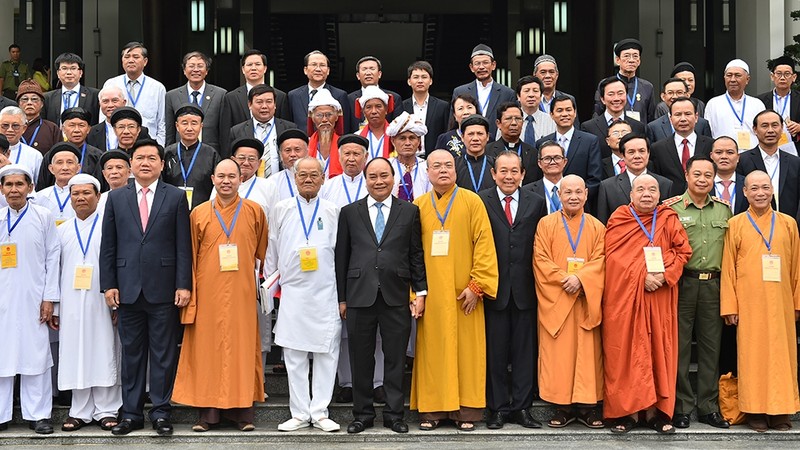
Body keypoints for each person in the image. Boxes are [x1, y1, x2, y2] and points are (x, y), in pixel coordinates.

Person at [99, 139, 192, 436]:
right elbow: (108, 246)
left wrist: (183, 284)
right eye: (139, 158)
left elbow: (183, 245)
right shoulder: (116, 198)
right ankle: (131, 413)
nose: (145, 163)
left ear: (162, 165)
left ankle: (162, 413)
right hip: (127, 288)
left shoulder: (176, 197)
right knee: (132, 354)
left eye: (152, 158)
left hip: (164, 289)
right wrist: (108, 284)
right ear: (131, 163)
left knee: (163, 354)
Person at [173, 158, 268, 432]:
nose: (226, 181)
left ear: (241, 179)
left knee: (241, 347)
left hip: (241, 291)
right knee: (207, 350)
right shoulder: (199, 213)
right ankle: (208, 414)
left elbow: (260, 251)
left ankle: (242, 414)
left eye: (232, 176)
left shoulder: (254, 211)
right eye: (221, 176)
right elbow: (189, 254)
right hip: (208, 290)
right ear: (213, 179)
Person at [335, 157, 427, 434]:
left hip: (395, 294)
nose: (379, 181)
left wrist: (420, 291)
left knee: (395, 357)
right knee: (361, 357)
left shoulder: (409, 211)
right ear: (366, 180)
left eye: (384, 176)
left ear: (393, 178)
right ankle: (362, 414)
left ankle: (394, 414)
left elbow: (415, 254)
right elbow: (342, 257)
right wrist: (342, 298)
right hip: (359, 295)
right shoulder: (350, 212)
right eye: (373, 176)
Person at [411, 149, 498, 432]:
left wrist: (477, 285)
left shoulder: (472, 202)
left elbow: (485, 245)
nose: (443, 170)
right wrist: (416, 293)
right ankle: (433, 410)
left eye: (448, 165)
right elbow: (410, 253)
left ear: (456, 169)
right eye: (436, 166)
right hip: (432, 295)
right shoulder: (418, 205)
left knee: (467, 352)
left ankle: (466, 412)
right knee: (433, 351)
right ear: (428, 172)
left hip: (465, 295)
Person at [603, 173, 692, 434]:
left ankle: (657, 413)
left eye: (652, 189)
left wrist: (664, 276)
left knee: (657, 351)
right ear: (630, 194)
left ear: (659, 194)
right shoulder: (620, 218)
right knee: (627, 353)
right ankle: (626, 413)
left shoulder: (667, 217)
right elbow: (613, 258)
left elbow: (683, 251)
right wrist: (642, 276)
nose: (646, 194)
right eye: (640, 189)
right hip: (626, 300)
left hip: (659, 297)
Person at [265, 157, 341, 433]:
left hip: (325, 290)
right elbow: (272, 247)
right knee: (294, 355)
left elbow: (339, 252)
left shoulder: (333, 210)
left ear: (323, 179)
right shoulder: (281, 209)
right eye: (303, 175)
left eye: (314, 175)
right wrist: (272, 285)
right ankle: (299, 413)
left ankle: (320, 411)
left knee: (326, 353)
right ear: (294, 179)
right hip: (293, 292)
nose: (308, 179)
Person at [721, 170, 800, 432]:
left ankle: (780, 410)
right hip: (749, 303)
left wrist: (796, 303)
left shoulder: (788, 223)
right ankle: (754, 409)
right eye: (754, 189)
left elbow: (797, 267)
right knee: (751, 355)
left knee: (781, 356)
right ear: (744, 192)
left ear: (772, 191)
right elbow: (728, 268)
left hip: (781, 303)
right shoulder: (736, 224)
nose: (760, 193)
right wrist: (730, 306)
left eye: (765, 188)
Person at [479, 151, 547, 430]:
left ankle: (522, 408)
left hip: (525, 289)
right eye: (503, 171)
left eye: (514, 171)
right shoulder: (481, 200)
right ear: (494, 174)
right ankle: (496, 408)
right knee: (494, 352)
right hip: (493, 289)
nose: (509, 176)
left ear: (523, 174)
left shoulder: (536, 202)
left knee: (523, 352)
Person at [664, 156, 732, 429]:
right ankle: (680, 407)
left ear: (714, 178)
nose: (702, 179)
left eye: (708, 175)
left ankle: (708, 407)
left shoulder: (724, 211)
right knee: (679, 348)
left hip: (714, 285)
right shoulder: (671, 209)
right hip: (683, 283)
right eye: (697, 174)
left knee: (710, 349)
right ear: (687, 175)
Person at [533, 174, 605, 429]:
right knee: (559, 356)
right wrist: (566, 280)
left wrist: (581, 280)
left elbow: (601, 260)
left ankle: (588, 407)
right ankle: (561, 406)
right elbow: (540, 260)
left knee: (588, 355)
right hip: (558, 299)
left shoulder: (597, 226)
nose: (573, 197)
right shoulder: (546, 224)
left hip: (585, 300)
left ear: (586, 194)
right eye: (567, 192)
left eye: (578, 192)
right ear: (559, 195)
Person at [54, 173, 121, 432]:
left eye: (86, 193)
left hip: (102, 298)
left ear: (98, 196)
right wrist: (57, 305)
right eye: (76, 194)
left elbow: (117, 263)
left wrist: (117, 302)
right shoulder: (61, 230)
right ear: (70, 199)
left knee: (105, 348)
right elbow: (54, 270)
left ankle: (107, 409)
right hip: (71, 301)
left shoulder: (109, 226)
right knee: (75, 352)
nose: (81, 198)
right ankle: (79, 410)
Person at [319, 134, 383, 404]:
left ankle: (377, 382)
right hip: (340, 262)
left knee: (377, 329)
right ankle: (346, 381)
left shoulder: (376, 185)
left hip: (374, 264)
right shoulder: (329, 186)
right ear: (338, 156)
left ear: (365, 157)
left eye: (357, 154)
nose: (352, 159)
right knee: (345, 328)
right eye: (346, 154)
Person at [0, 163, 59, 434]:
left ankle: (39, 415)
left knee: (36, 356)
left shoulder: (43, 216)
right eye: (9, 185)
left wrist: (50, 298)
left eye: (19, 184)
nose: (14, 189)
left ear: (30, 187)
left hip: (35, 298)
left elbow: (52, 257)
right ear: (1, 189)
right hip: (2, 300)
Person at [220, 50, 290, 156]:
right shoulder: (231, 98)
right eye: (249, 65)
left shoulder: (280, 96)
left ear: (265, 68)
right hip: (243, 158)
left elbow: (285, 128)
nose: (253, 68)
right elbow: (226, 135)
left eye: (257, 64)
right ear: (243, 69)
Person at [538, 95, 603, 208]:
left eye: (568, 110)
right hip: (549, 204)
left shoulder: (590, 141)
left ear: (575, 113)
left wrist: (576, 197)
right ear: (551, 115)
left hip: (580, 205)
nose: (564, 114)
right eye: (559, 110)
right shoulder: (542, 143)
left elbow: (595, 178)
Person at [736, 110, 800, 223]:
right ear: (755, 129)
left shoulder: (795, 162)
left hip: (788, 227)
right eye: (765, 126)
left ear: (781, 128)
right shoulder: (742, 161)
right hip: (753, 227)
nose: (770, 130)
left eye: (775, 125)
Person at [596, 134, 673, 224]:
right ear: (623, 156)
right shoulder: (607, 187)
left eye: (642, 151)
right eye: (631, 152)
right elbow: (603, 223)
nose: (637, 156)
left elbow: (669, 221)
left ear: (648, 154)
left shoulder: (665, 184)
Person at [102, 42, 167, 145]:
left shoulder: (157, 87)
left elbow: (162, 123)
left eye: (135, 57)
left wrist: (159, 148)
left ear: (145, 61)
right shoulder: (111, 84)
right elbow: (104, 117)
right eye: (127, 57)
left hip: (147, 145)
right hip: (117, 144)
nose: (131, 60)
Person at [649, 97, 714, 193]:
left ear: (696, 117)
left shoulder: (711, 145)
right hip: (670, 203)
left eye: (688, 114)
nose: (683, 119)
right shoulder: (658, 148)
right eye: (678, 114)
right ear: (670, 119)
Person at [162, 105, 221, 209]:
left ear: (201, 126)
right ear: (177, 126)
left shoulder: (211, 154)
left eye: (194, 123)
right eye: (184, 123)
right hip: (170, 210)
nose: (189, 128)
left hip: (203, 210)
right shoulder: (167, 153)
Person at [165, 51, 226, 150]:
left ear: (206, 71)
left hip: (211, 153)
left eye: (200, 66)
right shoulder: (172, 96)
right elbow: (169, 132)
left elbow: (223, 131)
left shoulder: (220, 94)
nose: (196, 70)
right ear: (184, 70)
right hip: (180, 152)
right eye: (191, 66)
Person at [229, 84, 295, 176]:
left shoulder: (289, 128)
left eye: (269, 102)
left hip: (282, 183)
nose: (264, 106)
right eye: (259, 102)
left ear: (275, 104)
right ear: (250, 105)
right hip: (250, 184)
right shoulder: (237, 131)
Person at [451, 45, 516, 137]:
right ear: (471, 67)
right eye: (477, 63)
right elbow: (453, 122)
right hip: (468, 143)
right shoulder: (460, 91)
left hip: (497, 146)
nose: (481, 67)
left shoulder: (507, 93)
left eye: (485, 63)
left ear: (493, 65)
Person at [705, 59, 766, 149]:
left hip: (752, 156)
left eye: (737, 75)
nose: (733, 79)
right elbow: (708, 134)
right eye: (729, 75)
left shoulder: (757, 104)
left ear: (747, 79)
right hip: (723, 156)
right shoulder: (713, 104)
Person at [37, 107, 104, 190]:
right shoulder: (52, 155)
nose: (76, 130)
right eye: (72, 125)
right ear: (63, 129)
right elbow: (43, 186)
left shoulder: (97, 156)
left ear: (88, 129)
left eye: (81, 125)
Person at [592, 38, 656, 124]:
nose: (631, 60)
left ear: (639, 61)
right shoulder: (607, 84)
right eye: (626, 56)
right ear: (617, 60)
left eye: (635, 56)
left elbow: (651, 118)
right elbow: (597, 114)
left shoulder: (647, 86)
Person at [581, 77, 647, 159]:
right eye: (611, 94)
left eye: (620, 93)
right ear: (602, 99)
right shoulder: (589, 127)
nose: (616, 98)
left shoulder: (638, 126)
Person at [287, 50, 350, 132]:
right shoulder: (293, 95)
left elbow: (344, 127)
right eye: (314, 65)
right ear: (305, 70)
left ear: (328, 71)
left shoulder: (340, 95)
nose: (318, 69)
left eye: (322, 65)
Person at [485, 102, 540, 185]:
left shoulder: (533, 153)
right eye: (508, 118)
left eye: (518, 119)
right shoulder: (487, 151)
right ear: (498, 123)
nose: (514, 123)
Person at [402, 61, 449, 156]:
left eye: (424, 77)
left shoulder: (442, 106)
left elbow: (446, 133)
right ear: (409, 81)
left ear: (430, 81)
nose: (420, 81)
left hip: (435, 157)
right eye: (416, 77)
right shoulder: (401, 106)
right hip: (408, 157)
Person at [346, 56, 403, 132]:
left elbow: (398, 127)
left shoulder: (394, 97)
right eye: (364, 69)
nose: (368, 73)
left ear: (379, 74)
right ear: (358, 76)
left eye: (372, 69)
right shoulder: (349, 99)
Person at [757, 56, 800, 155]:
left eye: (787, 74)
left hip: (795, 148)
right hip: (767, 149)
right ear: (772, 76)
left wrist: (799, 127)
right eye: (779, 74)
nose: (782, 78)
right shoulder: (760, 101)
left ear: (794, 77)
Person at [87, 86, 152, 151]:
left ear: (124, 102)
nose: (110, 105)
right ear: (100, 104)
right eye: (105, 101)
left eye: (114, 101)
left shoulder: (141, 131)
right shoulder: (93, 131)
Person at [647, 78, 712, 142]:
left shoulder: (703, 124)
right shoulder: (654, 127)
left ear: (687, 95)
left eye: (679, 92)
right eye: (670, 93)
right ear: (663, 97)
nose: (675, 96)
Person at [43, 53, 100, 125]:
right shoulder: (47, 98)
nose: (69, 72)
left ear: (81, 73)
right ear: (58, 73)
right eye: (64, 68)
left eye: (73, 68)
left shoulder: (95, 95)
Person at [263, 129, 309, 214]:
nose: (292, 154)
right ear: (280, 154)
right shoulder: (272, 182)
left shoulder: (319, 180)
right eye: (287, 150)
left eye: (297, 149)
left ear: (307, 152)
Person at [34, 142, 82, 224]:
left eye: (70, 162)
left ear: (78, 168)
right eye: (59, 162)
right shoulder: (39, 197)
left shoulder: (84, 196)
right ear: (51, 169)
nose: (65, 168)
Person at [388, 111, 431, 201]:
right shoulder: (387, 166)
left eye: (412, 138)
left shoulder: (427, 167)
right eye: (402, 138)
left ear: (419, 141)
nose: (407, 143)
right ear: (393, 141)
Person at [306, 89, 345, 178]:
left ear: (336, 117)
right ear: (312, 118)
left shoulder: (344, 145)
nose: (324, 120)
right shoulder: (306, 145)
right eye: (319, 115)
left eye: (329, 115)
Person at [16, 79, 60, 154]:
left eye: (34, 99)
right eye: (25, 99)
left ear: (42, 104)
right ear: (19, 104)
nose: (29, 103)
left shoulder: (52, 129)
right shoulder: (10, 127)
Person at [455, 114, 495, 192]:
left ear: (487, 137)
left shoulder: (496, 164)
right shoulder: (454, 165)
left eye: (480, 134)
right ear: (462, 137)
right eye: (471, 134)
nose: (475, 138)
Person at [710, 136, 749, 216]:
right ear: (711, 156)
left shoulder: (748, 183)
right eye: (718, 152)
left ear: (738, 157)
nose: (724, 156)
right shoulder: (702, 184)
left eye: (730, 152)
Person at [1, 106, 42, 181]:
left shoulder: (35, 155)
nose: (10, 130)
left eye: (15, 126)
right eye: (5, 125)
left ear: (24, 128)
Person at [525, 140, 566, 213]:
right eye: (547, 158)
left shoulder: (576, 189)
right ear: (539, 163)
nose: (553, 162)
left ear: (565, 162)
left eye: (557, 158)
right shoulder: (527, 191)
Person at [356, 85, 394, 160]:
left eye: (378, 106)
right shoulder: (357, 137)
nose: (374, 111)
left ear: (386, 109)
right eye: (369, 107)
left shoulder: (396, 135)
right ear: (363, 112)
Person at [517, 75, 555, 146]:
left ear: (541, 96)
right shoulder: (510, 120)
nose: (531, 95)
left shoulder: (551, 121)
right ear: (518, 96)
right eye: (526, 91)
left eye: (535, 91)